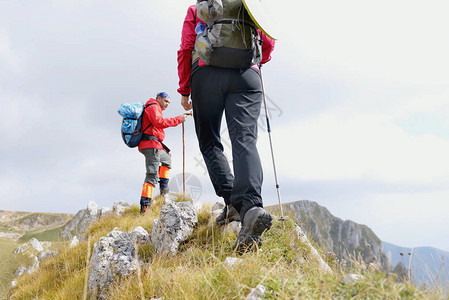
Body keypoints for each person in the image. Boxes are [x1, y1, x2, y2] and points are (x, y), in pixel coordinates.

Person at [177, 3, 276, 251]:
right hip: (247, 74)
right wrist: (254, 61)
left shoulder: (200, 7)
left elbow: (187, 47)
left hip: (206, 72)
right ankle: (251, 207)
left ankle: (232, 203)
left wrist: (184, 89)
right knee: (245, 139)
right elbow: (269, 43)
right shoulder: (249, 5)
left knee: (210, 141)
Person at [138, 92, 187, 214]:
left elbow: (155, 133)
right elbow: (159, 123)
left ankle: (163, 194)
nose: (167, 104)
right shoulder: (153, 107)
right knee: (152, 175)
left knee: (167, 161)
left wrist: (165, 150)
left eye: (169, 102)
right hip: (150, 146)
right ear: (158, 98)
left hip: (155, 145)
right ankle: (145, 206)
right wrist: (178, 119)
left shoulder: (155, 108)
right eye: (165, 101)